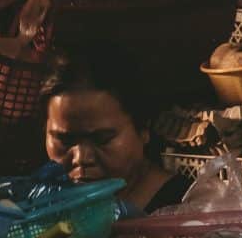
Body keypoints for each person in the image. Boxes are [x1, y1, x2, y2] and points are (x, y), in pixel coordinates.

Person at [42, 47, 192, 212]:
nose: (81, 158)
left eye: (102, 139)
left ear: (143, 130)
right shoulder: (40, 202)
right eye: (65, 140)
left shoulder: (183, 206)